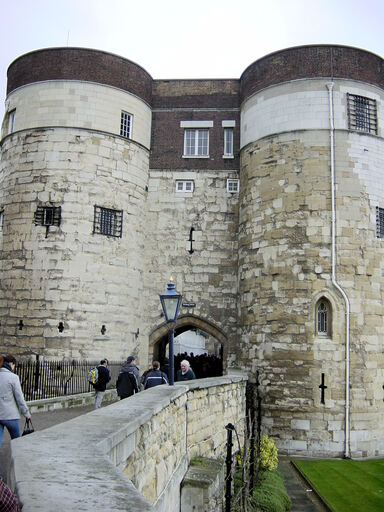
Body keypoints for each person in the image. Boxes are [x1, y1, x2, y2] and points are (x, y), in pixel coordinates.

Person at [0, 355, 31, 448]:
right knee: (17, 441)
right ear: (10, 364)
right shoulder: (13, 377)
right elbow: (19, 398)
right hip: (10, 416)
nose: (14, 368)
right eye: (14, 365)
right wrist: (26, 413)